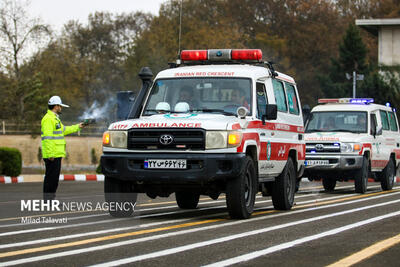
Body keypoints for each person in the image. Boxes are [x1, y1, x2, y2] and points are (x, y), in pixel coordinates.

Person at [41, 96, 85, 201]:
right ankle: (48, 201)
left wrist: (79, 126)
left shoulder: (55, 119)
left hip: (56, 154)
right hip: (52, 155)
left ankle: (50, 199)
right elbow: (47, 138)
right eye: (60, 106)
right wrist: (50, 154)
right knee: (50, 179)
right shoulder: (48, 119)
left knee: (54, 179)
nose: (61, 108)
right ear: (56, 106)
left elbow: (64, 130)